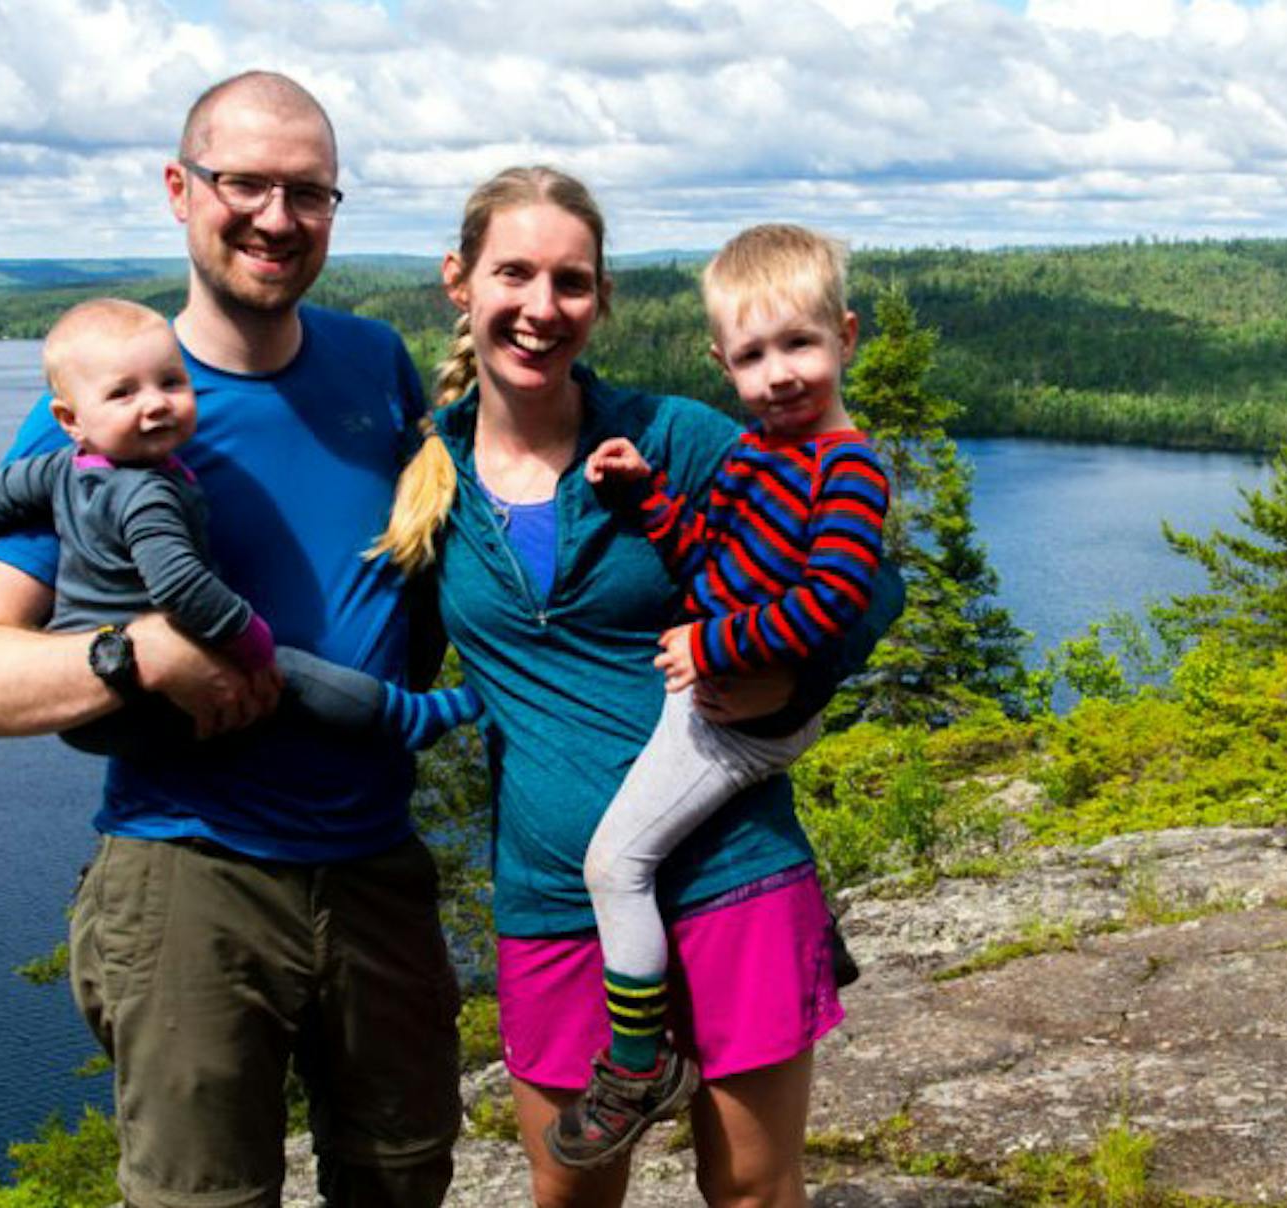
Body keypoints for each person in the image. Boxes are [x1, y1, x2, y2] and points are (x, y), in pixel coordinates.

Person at [0, 72, 461, 1208]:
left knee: (405, 1179)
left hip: (375, 867)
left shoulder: (374, 364)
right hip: (192, 875)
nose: (275, 216)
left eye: (307, 191)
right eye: (244, 183)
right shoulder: (102, 415)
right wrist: (137, 653)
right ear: (179, 189)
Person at [369, 168, 902, 1207]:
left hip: (732, 869)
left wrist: (791, 683)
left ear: (602, 299)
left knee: (752, 1187)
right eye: (513, 273)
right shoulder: (426, 475)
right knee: (570, 1187)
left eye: (571, 280)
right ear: (458, 283)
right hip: (555, 892)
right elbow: (376, 645)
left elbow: (868, 581)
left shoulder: (672, 437)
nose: (541, 305)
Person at [550, 223, 891, 1166]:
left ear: (845, 335)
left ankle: (637, 1061)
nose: (779, 373)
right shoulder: (757, 452)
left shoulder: (847, 469)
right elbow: (709, 553)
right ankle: (816, 934)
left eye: (800, 345)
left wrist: (713, 643)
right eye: (753, 355)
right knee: (669, 844)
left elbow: (830, 602)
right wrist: (645, 495)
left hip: (743, 718)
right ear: (722, 361)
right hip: (721, 696)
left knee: (614, 864)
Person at [0, 296, 481, 754]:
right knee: (284, 670)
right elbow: (177, 584)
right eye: (123, 393)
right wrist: (225, 645)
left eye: (172, 384)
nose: (153, 404)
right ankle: (409, 716)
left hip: (374, 852)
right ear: (70, 420)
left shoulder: (67, 466)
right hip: (184, 830)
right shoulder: (144, 492)